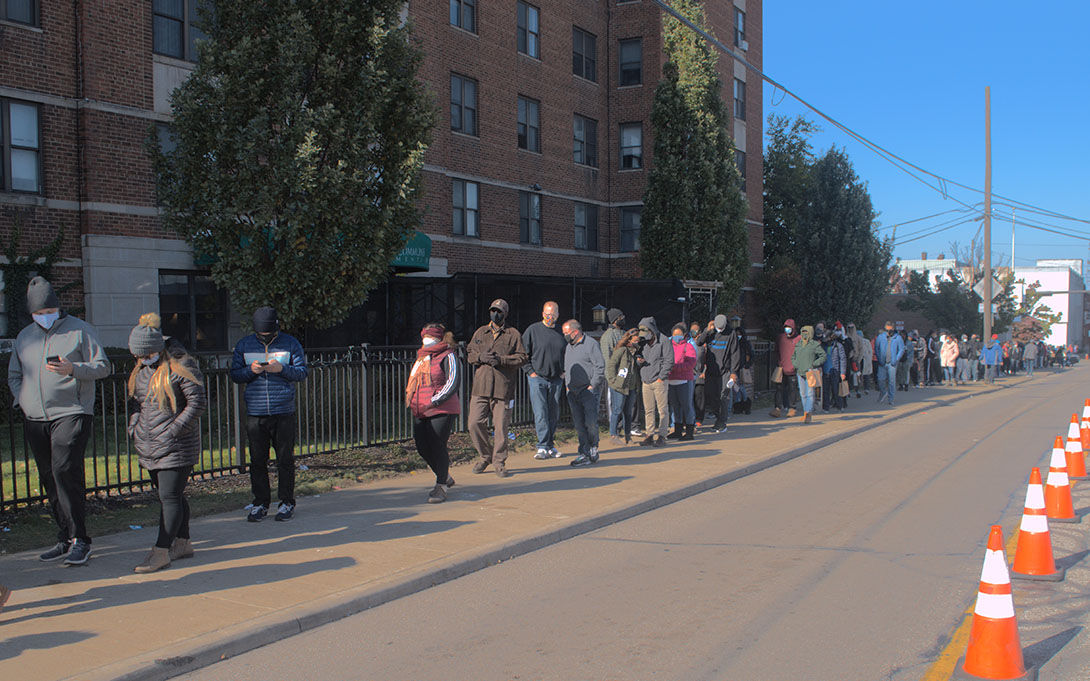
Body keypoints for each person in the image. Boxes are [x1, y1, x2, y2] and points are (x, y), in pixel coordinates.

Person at [8, 276, 110, 566]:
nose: (44, 318)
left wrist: (72, 369)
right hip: (35, 416)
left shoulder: (81, 330)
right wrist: (22, 399)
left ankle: (81, 539)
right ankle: (64, 536)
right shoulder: (24, 337)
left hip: (72, 412)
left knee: (65, 471)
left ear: (57, 307)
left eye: (47, 312)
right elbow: (15, 375)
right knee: (49, 477)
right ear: (31, 314)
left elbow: (102, 367)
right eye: (38, 314)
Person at [127, 314, 207, 573]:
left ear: (156, 349)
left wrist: (173, 431)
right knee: (172, 497)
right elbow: (136, 404)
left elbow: (197, 403)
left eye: (146, 354)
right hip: (151, 444)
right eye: (139, 356)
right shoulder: (142, 371)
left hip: (176, 445)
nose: (142, 360)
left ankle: (161, 551)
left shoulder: (181, 366)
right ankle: (182, 543)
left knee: (169, 497)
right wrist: (134, 429)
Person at [230, 307, 308, 522]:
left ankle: (286, 501)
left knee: (284, 458)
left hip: (283, 409)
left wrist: (281, 369)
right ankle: (260, 503)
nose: (264, 337)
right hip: (256, 410)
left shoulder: (290, 343)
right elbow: (235, 374)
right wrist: (250, 371)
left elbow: (302, 372)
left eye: (268, 334)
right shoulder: (244, 345)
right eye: (261, 334)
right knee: (257, 460)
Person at [467, 299, 528, 477]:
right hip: (481, 386)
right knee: (474, 423)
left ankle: (499, 462)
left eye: (499, 311)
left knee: (501, 427)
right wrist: (480, 357)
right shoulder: (480, 332)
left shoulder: (513, 334)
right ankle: (485, 456)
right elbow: (470, 353)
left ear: (505, 314)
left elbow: (522, 357)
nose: (496, 314)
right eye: (493, 310)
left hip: (503, 388)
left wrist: (502, 360)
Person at [406, 323, 461, 503]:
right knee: (422, 447)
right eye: (424, 337)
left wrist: (435, 400)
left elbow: (452, 382)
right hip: (421, 408)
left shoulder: (449, 355)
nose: (426, 340)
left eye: (430, 336)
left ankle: (441, 486)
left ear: (439, 337)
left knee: (437, 445)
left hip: (442, 407)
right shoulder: (421, 357)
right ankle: (444, 475)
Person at [523, 301, 566, 460]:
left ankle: (550, 445)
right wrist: (531, 372)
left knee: (553, 413)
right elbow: (523, 353)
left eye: (553, 314)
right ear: (542, 314)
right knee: (540, 412)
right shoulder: (533, 330)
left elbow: (568, 353)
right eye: (547, 314)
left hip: (556, 379)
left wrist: (564, 372)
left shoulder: (561, 333)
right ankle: (542, 446)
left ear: (558, 314)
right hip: (537, 378)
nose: (550, 317)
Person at [562, 320, 605, 467]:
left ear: (575, 332)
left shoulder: (591, 344)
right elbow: (568, 368)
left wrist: (593, 385)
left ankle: (593, 447)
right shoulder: (569, 347)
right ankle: (583, 453)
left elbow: (599, 365)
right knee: (579, 425)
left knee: (590, 423)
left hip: (587, 391)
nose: (565, 336)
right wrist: (567, 386)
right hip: (572, 392)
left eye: (566, 333)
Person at [696, 314, 743, 433]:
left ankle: (722, 422)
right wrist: (707, 330)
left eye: (721, 329)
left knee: (724, 396)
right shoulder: (710, 332)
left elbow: (735, 353)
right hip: (711, 370)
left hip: (725, 371)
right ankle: (718, 418)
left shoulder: (731, 333)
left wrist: (734, 372)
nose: (720, 331)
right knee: (712, 396)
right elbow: (699, 343)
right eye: (718, 329)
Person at [635, 316, 674, 446]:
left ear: (652, 330)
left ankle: (662, 436)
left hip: (659, 381)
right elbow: (639, 355)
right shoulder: (644, 342)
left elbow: (669, 360)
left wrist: (661, 377)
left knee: (662, 410)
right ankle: (649, 435)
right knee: (648, 410)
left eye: (647, 333)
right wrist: (639, 361)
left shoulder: (664, 341)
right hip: (645, 380)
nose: (645, 337)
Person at [606, 329, 641, 445]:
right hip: (619, 386)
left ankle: (628, 436)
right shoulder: (621, 351)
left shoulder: (635, 353)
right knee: (617, 410)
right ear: (629, 341)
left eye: (638, 340)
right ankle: (613, 435)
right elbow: (611, 365)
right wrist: (613, 380)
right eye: (635, 340)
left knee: (628, 412)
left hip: (631, 387)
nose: (637, 342)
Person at [666, 323, 697, 441]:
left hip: (684, 380)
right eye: (674, 335)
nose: (676, 337)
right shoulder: (669, 346)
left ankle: (689, 431)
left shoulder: (688, 347)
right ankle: (677, 430)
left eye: (679, 334)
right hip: (671, 381)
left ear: (684, 335)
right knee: (674, 406)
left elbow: (691, 363)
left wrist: (676, 367)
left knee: (686, 406)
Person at [790, 325, 826, 424]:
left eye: (806, 332)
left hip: (810, 372)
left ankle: (808, 412)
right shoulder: (798, 344)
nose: (804, 334)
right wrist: (795, 364)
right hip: (800, 372)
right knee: (802, 394)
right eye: (803, 331)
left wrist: (814, 364)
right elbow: (793, 356)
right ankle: (805, 412)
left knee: (810, 393)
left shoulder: (814, 344)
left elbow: (823, 356)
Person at [769, 319, 799, 418]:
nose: (787, 329)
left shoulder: (798, 339)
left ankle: (792, 408)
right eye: (786, 327)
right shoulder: (780, 338)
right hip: (781, 367)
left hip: (792, 369)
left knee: (792, 389)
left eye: (789, 328)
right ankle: (777, 407)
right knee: (779, 389)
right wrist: (779, 362)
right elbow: (776, 350)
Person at [874, 321, 905, 405]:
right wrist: (879, 358)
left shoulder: (897, 338)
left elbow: (901, 349)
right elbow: (876, 348)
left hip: (892, 363)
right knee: (880, 379)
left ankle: (891, 398)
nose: (888, 332)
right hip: (882, 362)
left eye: (890, 330)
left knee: (892, 381)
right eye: (887, 330)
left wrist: (896, 359)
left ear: (893, 328)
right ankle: (883, 392)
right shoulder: (881, 337)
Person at [820, 329, 847, 412]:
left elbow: (843, 359)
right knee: (825, 391)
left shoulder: (838, 346)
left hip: (835, 371)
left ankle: (839, 406)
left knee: (836, 390)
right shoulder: (822, 346)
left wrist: (842, 372)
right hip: (825, 371)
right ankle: (826, 408)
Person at [689, 321, 708, 426]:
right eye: (692, 329)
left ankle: (699, 418)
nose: (694, 332)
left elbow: (707, 359)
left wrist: (704, 372)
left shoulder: (703, 345)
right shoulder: (688, 342)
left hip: (700, 374)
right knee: (689, 397)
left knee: (699, 397)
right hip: (689, 373)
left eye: (696, 330)